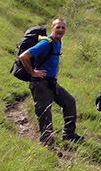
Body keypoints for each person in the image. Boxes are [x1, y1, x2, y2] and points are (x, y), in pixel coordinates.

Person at [19, 18, 83, 146]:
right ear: (52, 28)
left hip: (51, 82)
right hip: (39, 83)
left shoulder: (57, 42)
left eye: (63, 27)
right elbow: (24, 56)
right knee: (45, 111)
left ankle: (69, 134)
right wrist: (33, 72)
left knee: (69, 102)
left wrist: (55, 75)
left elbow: (55, 59)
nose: (60, 30)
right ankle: (47, 142)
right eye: (57, 27)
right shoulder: (45, 43)